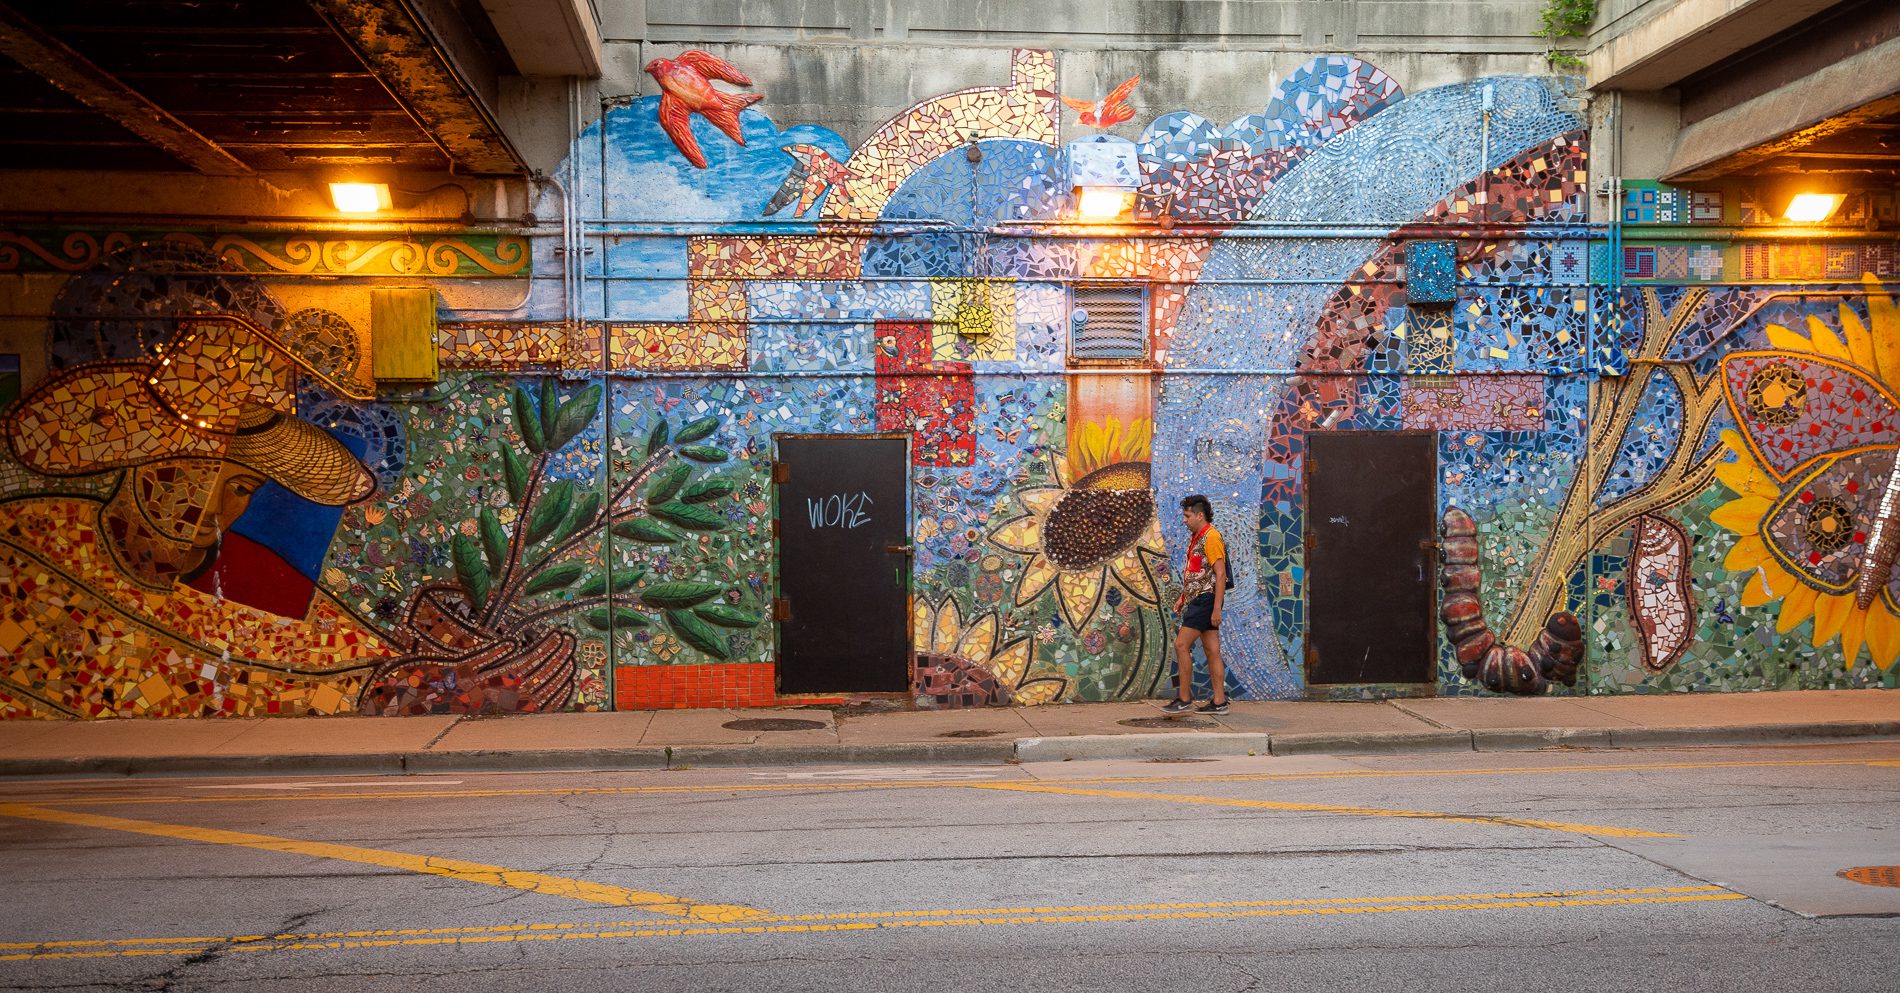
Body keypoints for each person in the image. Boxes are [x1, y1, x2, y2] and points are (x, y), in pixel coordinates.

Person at [1163, 494, 1229, 715]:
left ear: (1200, 516)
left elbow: (1220, 574)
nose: (1184, 519)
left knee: (1181, 645)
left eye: (1187, 515)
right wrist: (1183, 597)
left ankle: (1183, 698)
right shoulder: (1198, 537)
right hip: (1199, 599)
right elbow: (1197, 573)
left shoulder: (1211, 537)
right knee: (1212, 650)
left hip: (1205, 601)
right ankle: (1219, 703)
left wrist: (1216, 608)